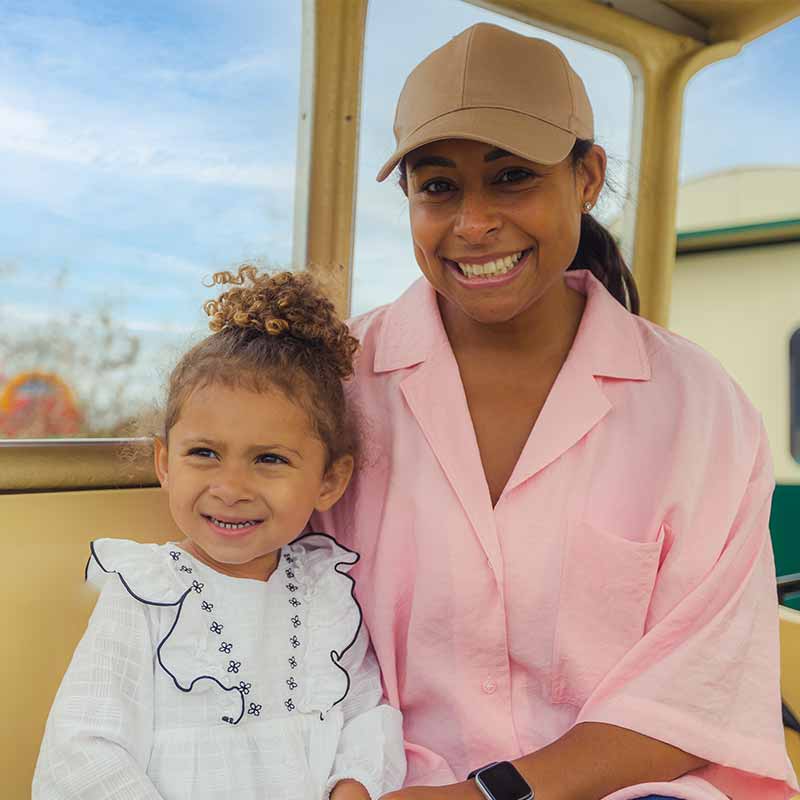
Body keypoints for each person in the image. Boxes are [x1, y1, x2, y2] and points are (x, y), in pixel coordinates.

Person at [314, 22, 798, 800]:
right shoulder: (334, 388)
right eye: (439, 186)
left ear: (588, 176)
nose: (473, 223)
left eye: (511, 177)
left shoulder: (701, 410)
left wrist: (489, 794)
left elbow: (701, 691)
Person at [33, 268, 406, 800]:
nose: (230, 488)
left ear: (329, 480)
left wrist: (354, 784)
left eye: (270, 459)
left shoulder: (328, 590)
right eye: (204, 453)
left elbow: (366, 713)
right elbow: (85, 748)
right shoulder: (145, 592)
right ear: (165, 462)